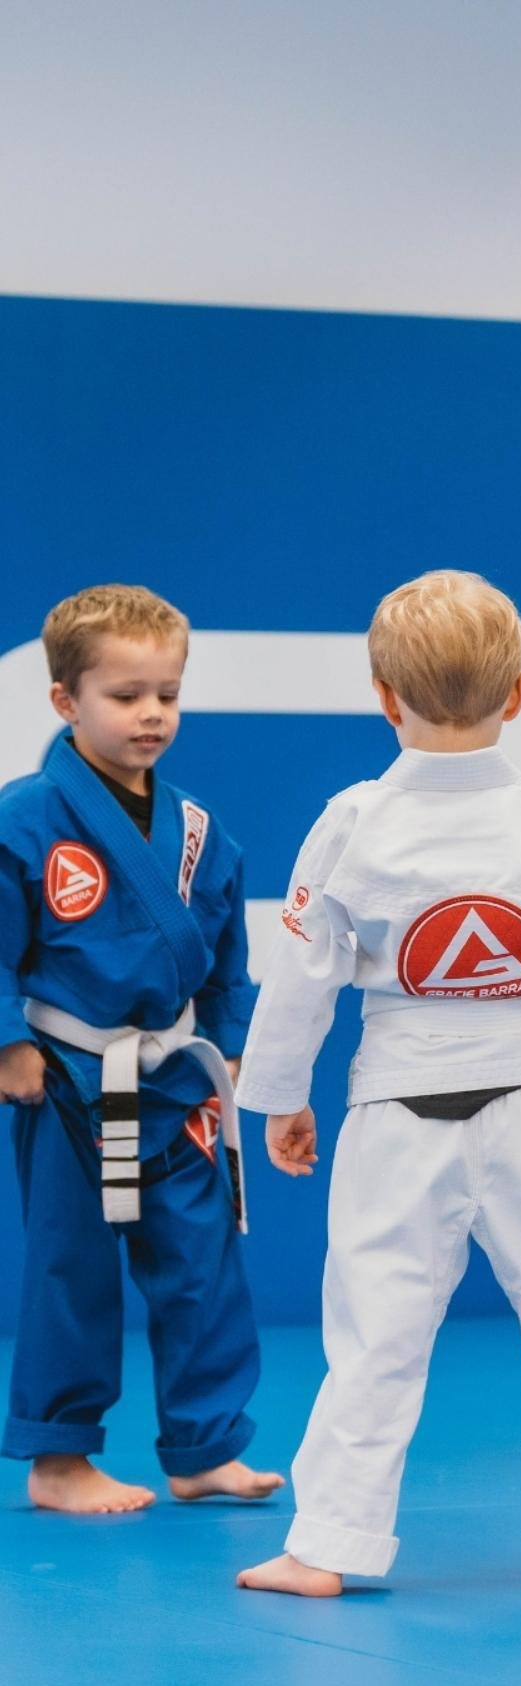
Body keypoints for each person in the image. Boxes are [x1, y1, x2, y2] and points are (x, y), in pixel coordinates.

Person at [234, 570, 521, 1596]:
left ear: (383, 694)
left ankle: (327, 1546)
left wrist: (279, 1094)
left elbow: (303, 969)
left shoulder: (353, 821)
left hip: (396, 1106)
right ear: (520, 693)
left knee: (374, 1334)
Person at [0, 584, 283, 1512]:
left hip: (172, 1081)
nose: (152, 713)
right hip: (71, 1077)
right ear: (64, 702)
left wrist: (232, 1045)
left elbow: (226, 956)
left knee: (201, 1265)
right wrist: (10, 1044)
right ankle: (59, 1460)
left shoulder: (198, 828)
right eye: (126, 696)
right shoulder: (26, 818)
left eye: (166, 692)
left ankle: (203, 1447)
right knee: (70, 1271)